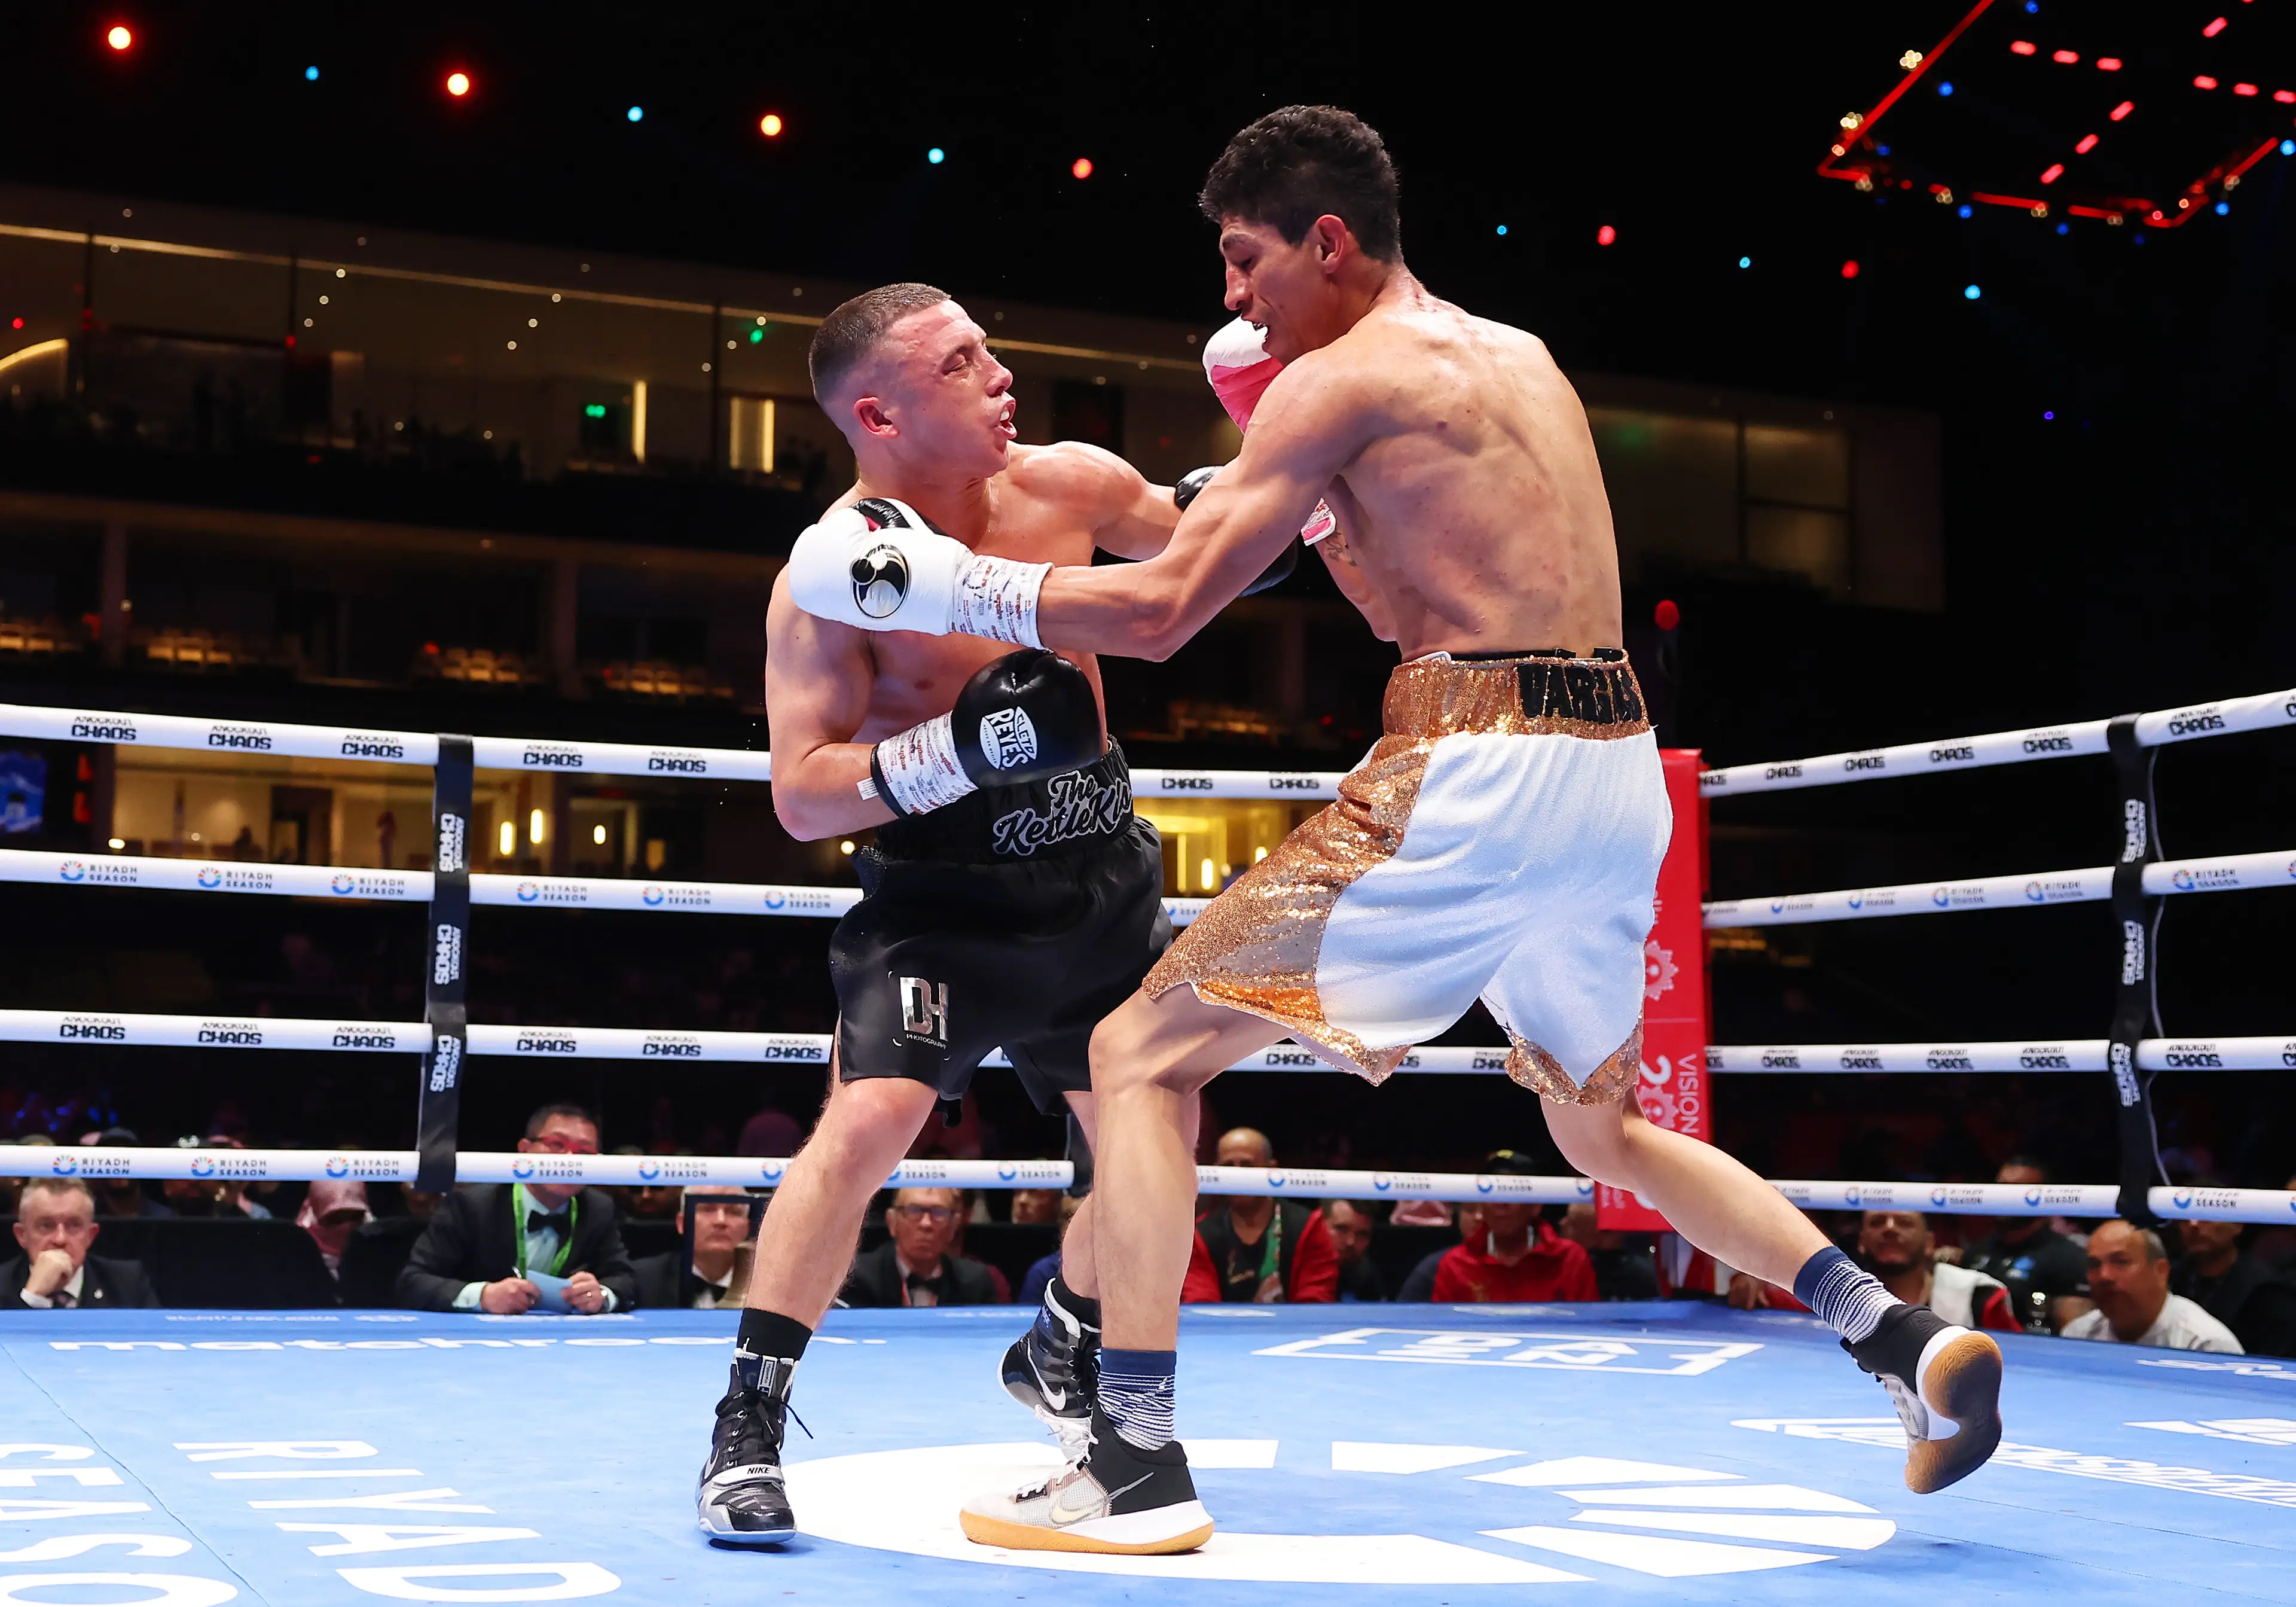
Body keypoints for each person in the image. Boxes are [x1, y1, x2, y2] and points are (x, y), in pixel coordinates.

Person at [786, 105, 2010, 1550]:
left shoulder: (1331, 383)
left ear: (1325, 240)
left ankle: (1129, 1452)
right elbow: (1395, 583)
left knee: (1135, 1048)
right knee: (1597, 1121)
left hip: (1472, 760)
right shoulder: (1519, 357)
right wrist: (1308, 504)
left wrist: (945, 588)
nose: (1231, 298)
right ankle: (1891, 1339)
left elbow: (1166, 612)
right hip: (1612, 772)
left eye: (1245, 261)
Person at [697, 278, 1289, 1547]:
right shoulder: (826, 579)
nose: (1000, 375)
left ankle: (1068, 1333)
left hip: (1097, 879)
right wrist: (955, 753)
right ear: (881, 412)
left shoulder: (1066, 482)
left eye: (989, 349)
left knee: (1163, 1127)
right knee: (872, 1115)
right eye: (962, 363)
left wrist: (1285, 436)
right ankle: (747, 1414)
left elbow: (1205, 547)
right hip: (939, 902)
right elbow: (801, 796)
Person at [395, 1103, 638, 1315]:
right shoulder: (472, 1205)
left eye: (584, 1151)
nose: (570, 1159)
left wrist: (602, 1296)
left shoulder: (598, 1208)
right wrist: (483, 1296)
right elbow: (413, 1282)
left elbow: (626, 1279)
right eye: (557, 1144)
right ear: (524, 1150)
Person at [1180, 1128, 1337, 1303]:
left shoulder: (1308, 1227)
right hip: (1225, 1330)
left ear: (1271, 1168)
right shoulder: (1200, 1235)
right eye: (1228, 1166)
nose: (1237, 1175)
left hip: (1292, 1329)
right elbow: (1201, 1303)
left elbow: (1315, 1301)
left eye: (1247, 1165)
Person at [2062, 1221, 2242, 1352]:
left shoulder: (2205, 1345)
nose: (2104, 1276)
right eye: (2094, 1265)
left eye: (2121, 1262)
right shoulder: (2078, 1336)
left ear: (2161, 1271)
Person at [1958, 1158, 2092, 1332]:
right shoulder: (1976, 1252)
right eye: (2001, 1188)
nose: (2005, 1197)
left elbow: (2075, 1334)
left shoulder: (2068, 1259)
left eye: (2016, 1190)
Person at [1853, 1210, 2020, 1333]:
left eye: (1904, 1223)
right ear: (1861, 1242)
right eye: (1877, 1222)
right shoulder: (1837, 1295)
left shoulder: (1977, 1294)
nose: (1890, 1229)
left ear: (1929, 1243)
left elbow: (2020, 1360)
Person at [4, 1176, 160, 1308]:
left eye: (74, 1225)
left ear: (91, 1236)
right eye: (46, 1225)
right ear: (22, 1235)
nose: (60, 1239)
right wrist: (32, 1297)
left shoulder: (128, 1283)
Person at [1431, 1187, 1596, 1305]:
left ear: (1535, 1206)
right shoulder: (1456, 1263)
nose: (1501, 1204)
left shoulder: (1570, 1258)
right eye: (1493, 1195)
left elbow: (1591, 1326)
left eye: (1512, 1194)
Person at [841, 1187, 1002, 1307]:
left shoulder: (976, 1282)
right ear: (892, 1222)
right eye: (914, 1210)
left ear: (954, 1226)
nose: (926, 1224)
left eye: (938, 1212)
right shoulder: (857, 1278)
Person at [2171, 1218, 2296, 1358]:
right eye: (2184, 1220)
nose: (2193, 1224)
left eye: (2207, 1217)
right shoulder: (2169, 1279)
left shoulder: (2267, 1291)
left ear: (2237, 1225)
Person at [638, 1185, 756, 1310]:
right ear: (682, 1223)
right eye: (707, 1209)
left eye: (733, 1212)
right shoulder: (642, 1280)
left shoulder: (767, 1284)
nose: (720, 1221)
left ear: (747, 1227)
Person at [1558, 1202, 1660, 1301]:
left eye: (1573, 1224)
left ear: (1596, 1234)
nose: (1562, 1223)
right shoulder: (1565, 1263)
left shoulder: (1641, 1277)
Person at [1396, 1204, 1482, 1303]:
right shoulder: (1435, 1268)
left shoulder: (1502, 1265)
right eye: (1470, 1210)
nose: (1479, 1217)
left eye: (1486, 1211)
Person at [297, 1178, 372, 1282]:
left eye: (355, 1217)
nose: (347, 1226)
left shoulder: (376, 1238)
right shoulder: (300, 1247)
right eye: (336, 1219)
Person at [1324, 1199, 1387, 1302]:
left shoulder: (1367, 1276)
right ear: (1319, 1224)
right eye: (1342, 1229)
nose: (1351, 1242)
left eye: (1362, 1234)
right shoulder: (1293, 1265)